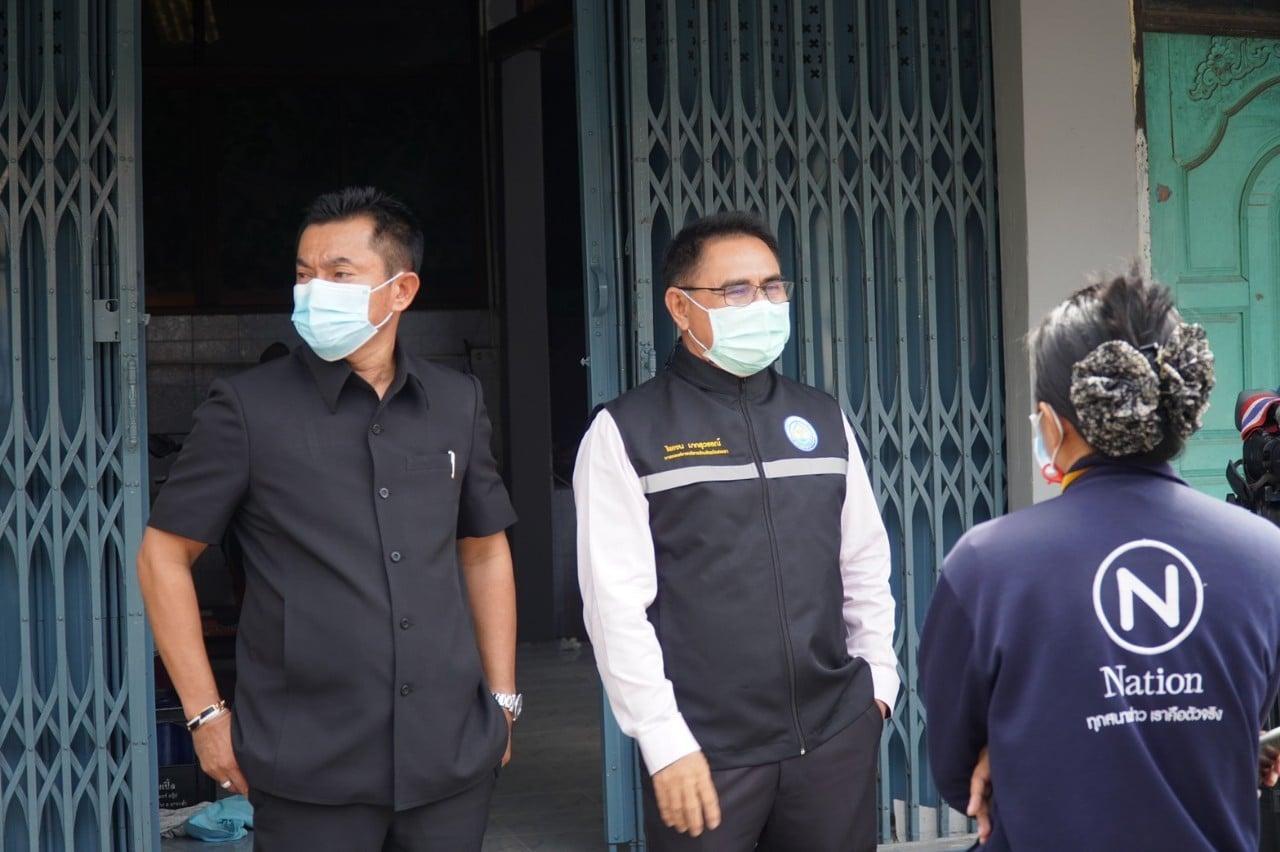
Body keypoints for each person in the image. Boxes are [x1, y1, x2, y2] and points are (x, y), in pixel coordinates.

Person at [137, 187, 521, 851]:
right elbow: (163, 555)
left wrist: (504, 700)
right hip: (307, 766)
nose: (315, 291)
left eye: (340, 274)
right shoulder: (247, 409)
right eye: (304, 274)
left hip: (450, 757)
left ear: (401, 291)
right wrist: (204, 715)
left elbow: (484, 550)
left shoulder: (456, 402)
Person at [918, 270, 1280, 851]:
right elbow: (1247, 714)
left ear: (1052, 423)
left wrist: (1010, 753)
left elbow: (955, 768)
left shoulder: (985, 565)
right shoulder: (1264, 555)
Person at [574, 211, 898, 851]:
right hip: (705, 753)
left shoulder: (821, 418)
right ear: (680, 306)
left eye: (773, 287)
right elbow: (615, 607)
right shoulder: (628, 430)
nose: (764, 304)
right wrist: (663, 740)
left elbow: (863, 560)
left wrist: (878, 686)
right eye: (737, 290)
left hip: (833, 738)